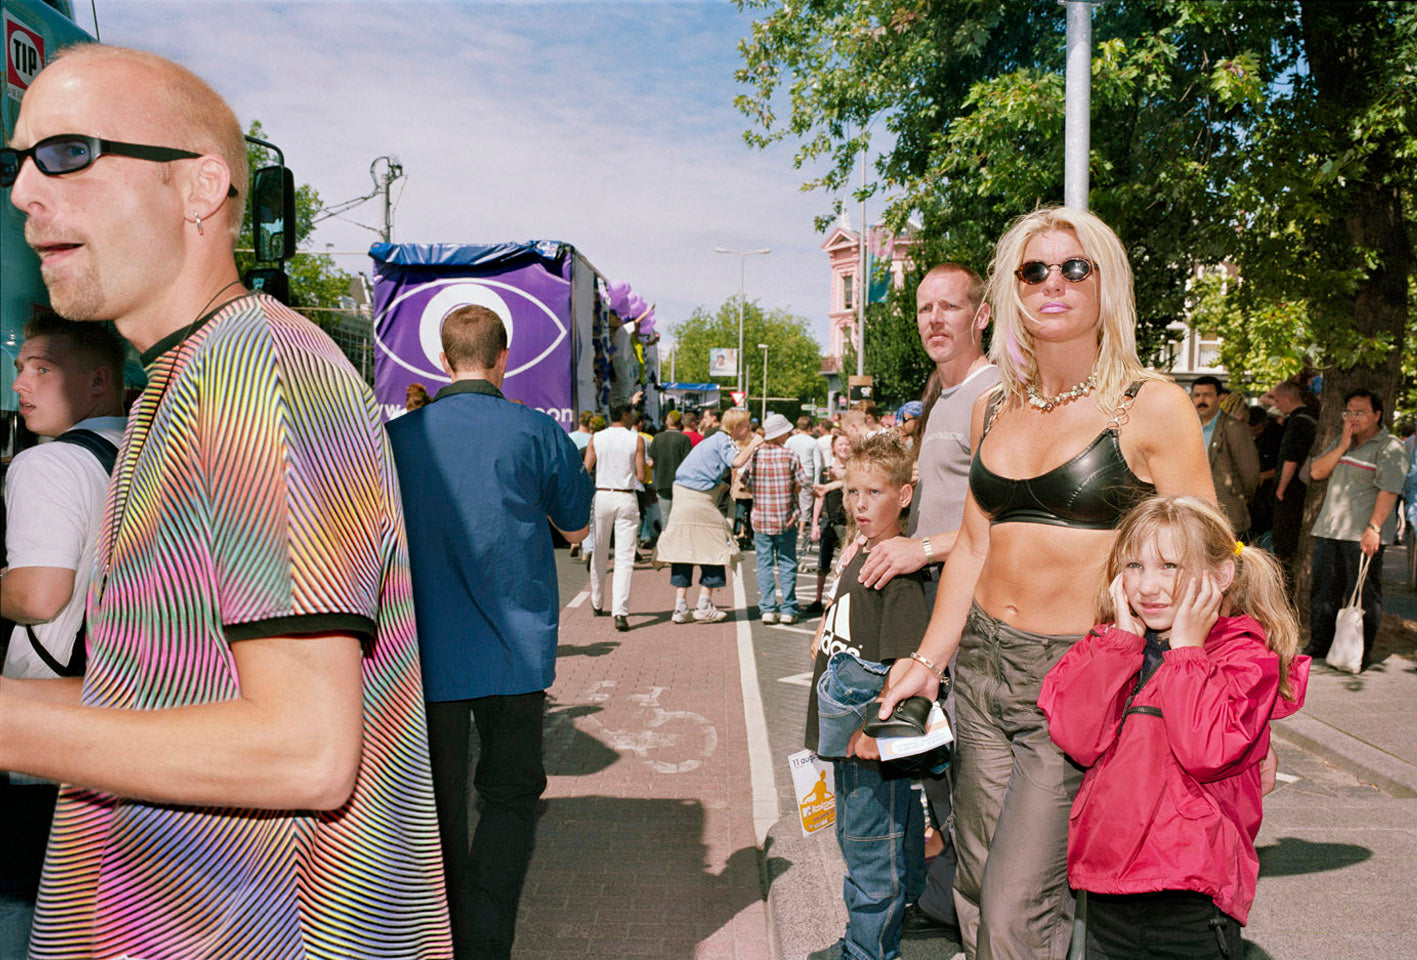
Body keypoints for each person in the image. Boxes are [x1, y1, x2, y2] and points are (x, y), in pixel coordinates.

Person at [0, 44, 451, 957]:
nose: (24, 193)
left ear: (200, 188)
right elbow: (158, 685)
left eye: (67, 153)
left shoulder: (257, 371)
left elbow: (301, 750)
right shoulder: (185, 377)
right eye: (15, 163)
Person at [875, 206, 1217, 960]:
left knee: (1015, 908)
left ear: (1106, 282)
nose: (1052, 283)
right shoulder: (994, 404)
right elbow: (973, 545)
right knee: (974, 884)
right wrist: (928, 661)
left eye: (1074, 268)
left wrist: (1204, 685)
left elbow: (1206, 556)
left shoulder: (1150, 405)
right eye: (1034, 270)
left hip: (1073, 684)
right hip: (981, 670)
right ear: (1013, 289)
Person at [387, 304, 590, 960]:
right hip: (514, 651)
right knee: (509, 796)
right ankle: (485, 937)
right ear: (504, 358)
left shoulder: (396, 437)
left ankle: (438, 930)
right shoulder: (537, 432)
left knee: (436, 800)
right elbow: (576, 529)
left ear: (442, 360)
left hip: (423, 652)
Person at [1039, 496, 1308, 959]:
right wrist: (1119, 647)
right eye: (1135, 566)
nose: (1148, 586)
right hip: (1107, 883)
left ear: (1220, 576)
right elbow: (1077, 739)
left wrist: (1186, 652)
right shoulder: (1109, 646)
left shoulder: (1244, 657)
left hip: (1190, 892)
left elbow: (1206, 751)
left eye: (1169, 566)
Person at [855, 261, 1001, 942]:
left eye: (949, 306)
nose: (933, 320)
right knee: (934, 756)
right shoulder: (941, 395)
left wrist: (922, 547)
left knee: (970, 770)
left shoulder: (993, 392)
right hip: (937, 601)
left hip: (976, 608)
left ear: (982, 315)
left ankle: (986, 927)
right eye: (923, 308)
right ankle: (950, 903)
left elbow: (1003, 517)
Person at [1, 313, 126, 953]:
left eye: (42, 369)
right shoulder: (148, 457)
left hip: (43, 729)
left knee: (20, 903)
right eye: (20, 367)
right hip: (126, 714)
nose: (20, 384)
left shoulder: (48, 464)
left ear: (98, 380)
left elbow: (38, 595)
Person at [803, 432, 934, 960]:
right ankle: (891, 924)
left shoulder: (896, 571)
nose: (859, 504)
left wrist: (872, 732)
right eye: (852, 491)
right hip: (853, 733)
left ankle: (867, 951)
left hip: (865, 737)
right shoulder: (865, 552)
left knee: (868, 850)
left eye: (874, 492)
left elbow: (903, 662)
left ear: (903, 495)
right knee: (891, 833)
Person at [1303, 387, 1407, 669]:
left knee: (1363, 595)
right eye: (1348, 412)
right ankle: (1319, 645)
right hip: (1329, 530)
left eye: (1360, 413)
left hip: (1361, 534)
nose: (1352, 418)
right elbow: (1316, 471)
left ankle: (1358, 653)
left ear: (1377, 415)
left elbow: (1388, 491)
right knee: (1323, 592)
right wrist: (1343, 445)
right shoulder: (1342, 441)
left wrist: (1374, 528)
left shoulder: (1389, 447)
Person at [655, 408, 756, 623]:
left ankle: (680, 608)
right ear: (736, 426)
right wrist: (755, 444)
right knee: (716, 548)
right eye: (746, 426)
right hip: (700, 499)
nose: (749, 430)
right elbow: (737, 462)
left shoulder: (713, 439)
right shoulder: (724, 439)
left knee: (683, 551)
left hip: (682, 497)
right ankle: (704, 604)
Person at [745, 412, 812, 624]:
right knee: (787, 563)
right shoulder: (790, 455)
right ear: (781, 434)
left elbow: (745, 481)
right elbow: (802, 483)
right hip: (786, 518)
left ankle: (768, 608)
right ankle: (788, 609)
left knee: (764, 564)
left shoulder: (755, 455)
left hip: (761, 519)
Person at [584, 401, 646, 632]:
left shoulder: (597, 438)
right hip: (626, 496)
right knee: (624, 557)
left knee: (599, 550)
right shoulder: (636, 439)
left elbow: (586, 468)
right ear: (625, 414)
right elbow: (641, 475)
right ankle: (620, 612)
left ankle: (597, 601)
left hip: (602, 495)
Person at [1191, 375, 1260, 541]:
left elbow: (1250, 474)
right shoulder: (1188, 427)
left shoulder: (1234, 428)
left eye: (1207, 395)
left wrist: (1239, 496)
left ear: (1218, 398)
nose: (1201, 400)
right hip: (1194, 514)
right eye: (1197, 395)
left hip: (1227, 514)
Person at [1269, 380, 1319, 588]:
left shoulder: (1297, 422)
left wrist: (1281, 488)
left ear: (1288, 398)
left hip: (1292, 492)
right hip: (1303, 489)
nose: (1276, 405)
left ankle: (1286, 589)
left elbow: (1291, 458)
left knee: (1285, 546)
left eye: (1277, 400)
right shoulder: (1313, 416)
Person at [809, 431, 853, 612]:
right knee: (823, 561)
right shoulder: (825, 471)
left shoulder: (854, 471)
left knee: (845, 563)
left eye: (847, 444)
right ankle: (818, 599)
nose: (844, 447)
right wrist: (814, 524)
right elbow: (819, 498)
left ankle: (837, 601)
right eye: (840, 444)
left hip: (846, 522)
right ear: (833, 448)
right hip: (828, 521)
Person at [786, 416, 824, 546]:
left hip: (791, 474)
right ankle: (801, 530)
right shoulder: (813, 442)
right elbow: (818, 464)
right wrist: (817, 481)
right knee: (805, 503)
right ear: (810, 427)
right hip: (807, 475)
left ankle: (793, 524)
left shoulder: (790, 440)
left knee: (790, 501)